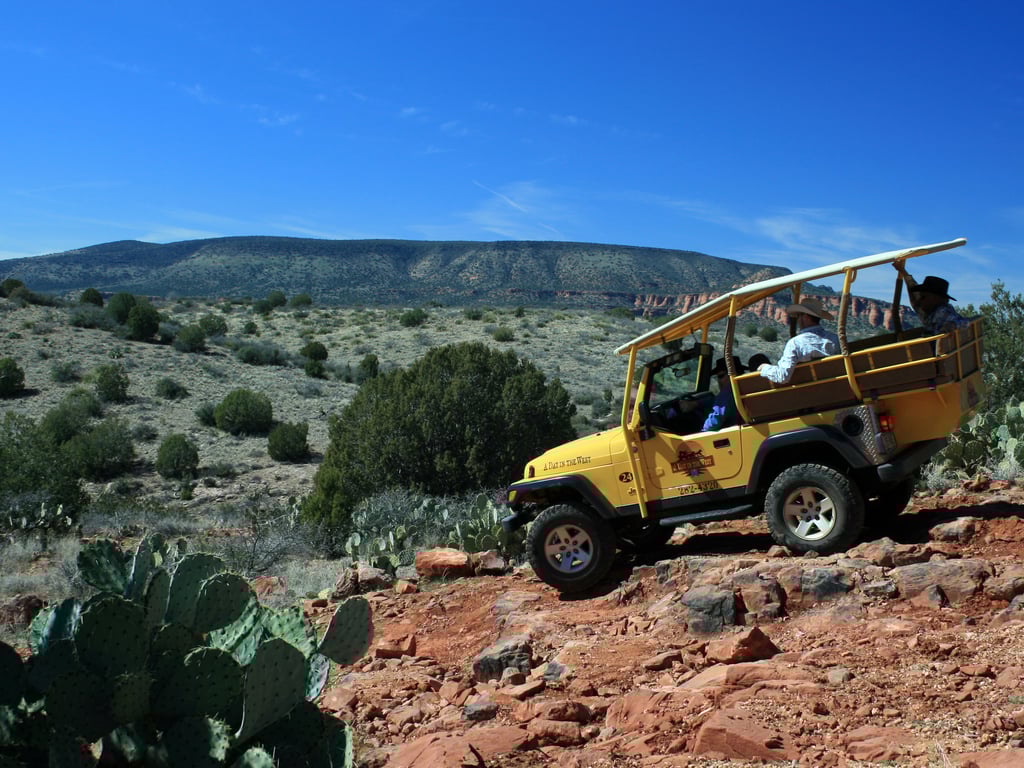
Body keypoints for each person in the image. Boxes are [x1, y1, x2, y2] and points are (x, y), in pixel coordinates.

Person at [757, 298, 839, 384]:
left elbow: (782, 376)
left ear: (806, 317)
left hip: (805, 392)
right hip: (833, 387)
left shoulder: (795, 343)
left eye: (799, 315)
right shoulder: (835, 339)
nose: (798, 319)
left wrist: (764, 368)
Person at [893, 264, 969, 334]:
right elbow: (914, 293)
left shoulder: (942, 311)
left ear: (937, 298)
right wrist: (903, 272)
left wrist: (952, 325)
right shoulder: (927, 312)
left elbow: (964, 322)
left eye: (923, 297)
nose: (919, 300)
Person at [702, 356, 744, 431]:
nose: (718, 381)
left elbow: (714, 422)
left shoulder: (728, 391)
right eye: (717, 377)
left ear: (733, 375)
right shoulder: (747, 387)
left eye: (721, 376)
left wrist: (702, 431)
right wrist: (696, 403)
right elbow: (715, 400)